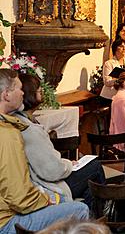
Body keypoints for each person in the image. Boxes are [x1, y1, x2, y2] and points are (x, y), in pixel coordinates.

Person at [0, 69, 89, 233]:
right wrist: (49, 199)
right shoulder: (7, 133)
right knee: (79, 210)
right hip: (6, 222)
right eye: (19, 89)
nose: (22, 93)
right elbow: (19, 197)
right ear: (6, 95)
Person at [15, 73, 105, 210]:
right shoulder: (30, 130)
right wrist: (69, 164)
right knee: (95, 167)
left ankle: (90, 215)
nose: (43, 93)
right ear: (30, 95)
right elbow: (51, 170)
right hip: (47, 186)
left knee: (89, 173)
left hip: (38, 180)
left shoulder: (17, 120)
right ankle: (92, 219)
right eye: (40, 91)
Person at [99, 38, 125, 103]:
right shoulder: (109, 63)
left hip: (124, 96)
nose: (124, 48)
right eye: (121, 46)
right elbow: (107, 82)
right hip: (110, 96)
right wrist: (119, 79)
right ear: (115, 48)